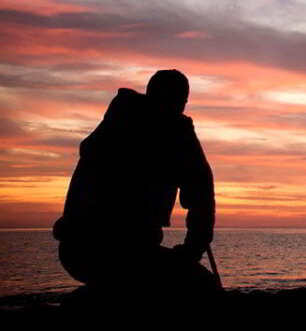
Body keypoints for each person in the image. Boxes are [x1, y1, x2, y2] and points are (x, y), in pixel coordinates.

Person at [52, 69, 219, 297]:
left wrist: (192, 249)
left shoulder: (115, 124)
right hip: (112, 251)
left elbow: (201, 193)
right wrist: (191, 250)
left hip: (80, 252)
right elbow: (201, 194)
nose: (178, 107)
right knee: (202, 288)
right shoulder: (172, 133)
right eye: (177, 100)